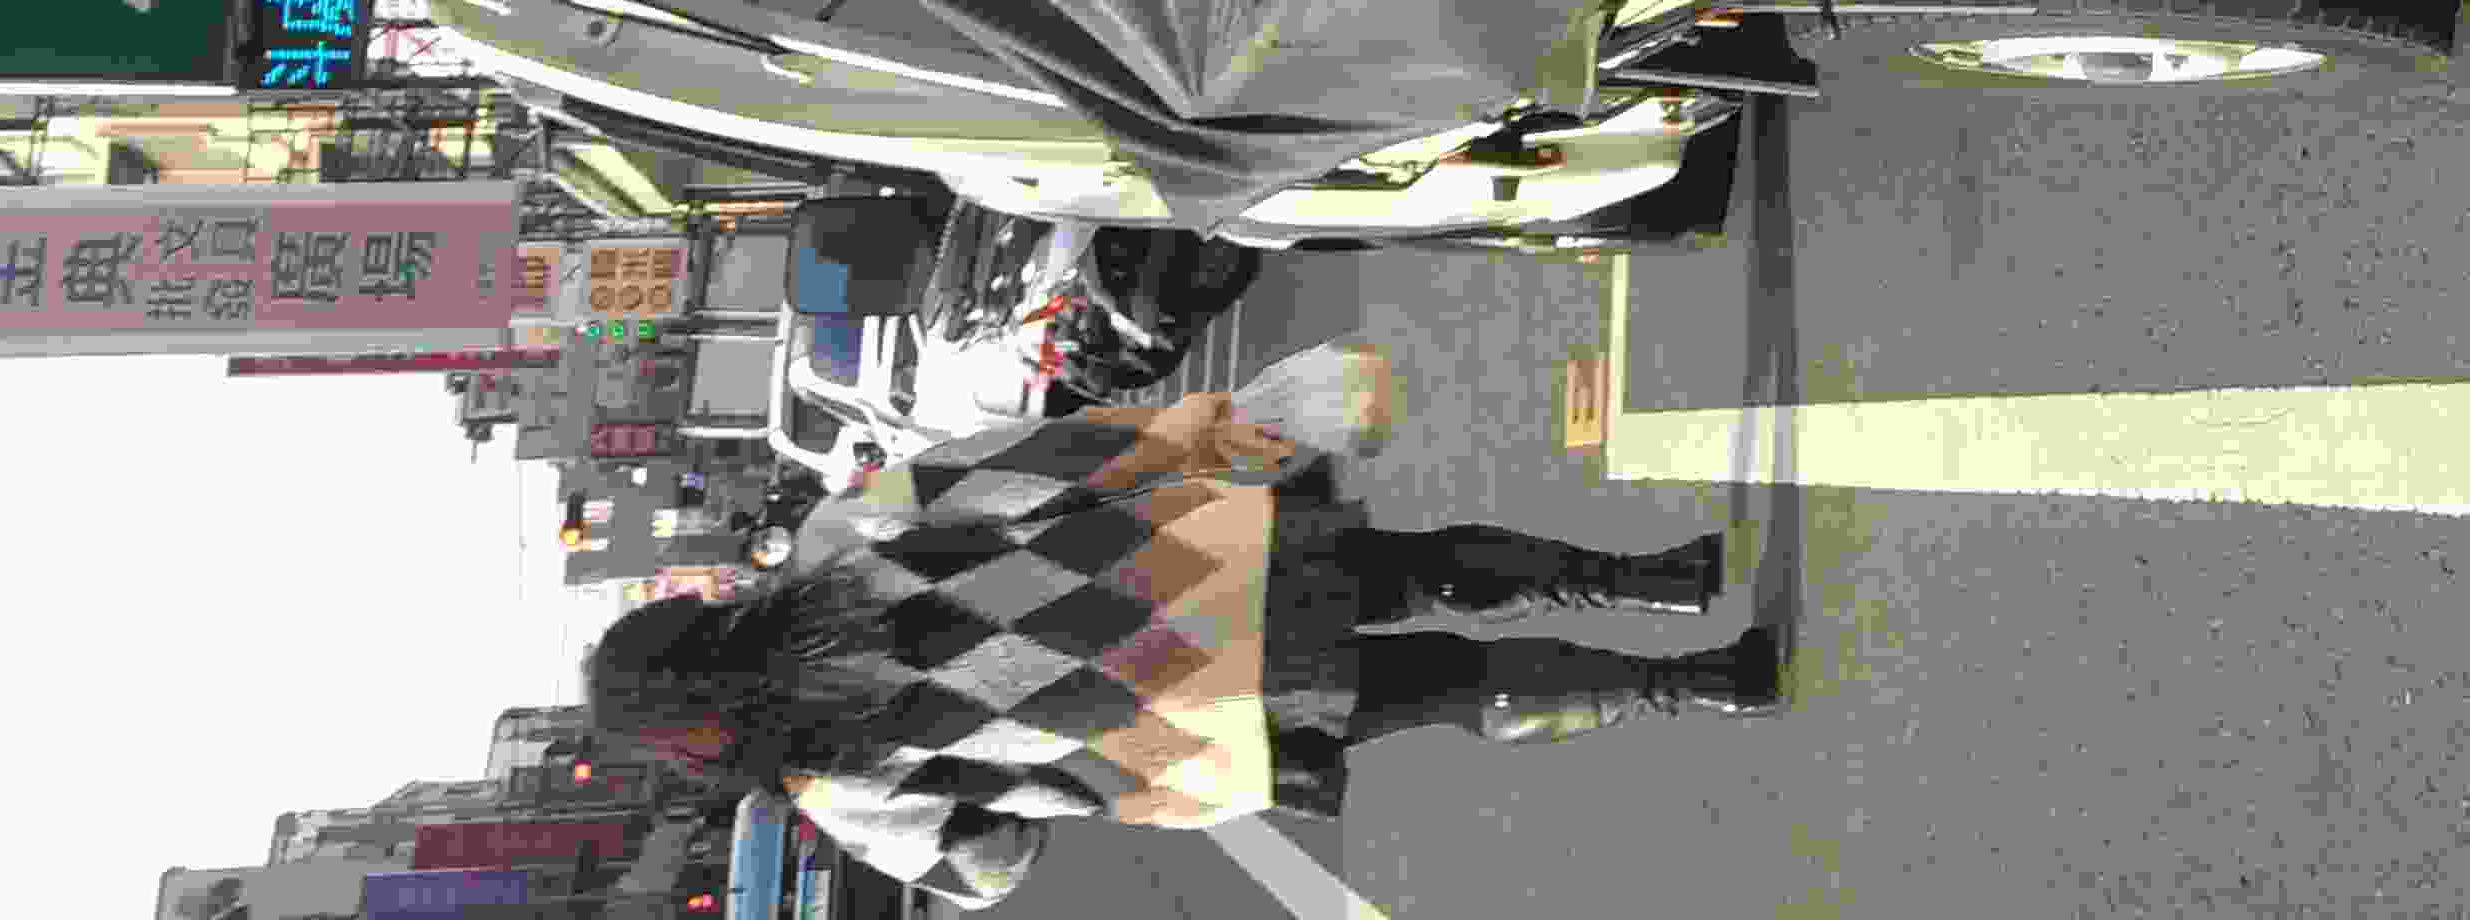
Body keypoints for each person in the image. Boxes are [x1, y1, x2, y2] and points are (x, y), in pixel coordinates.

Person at [580, 349, 1780, 903]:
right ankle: (1656, 577)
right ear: (698, 622)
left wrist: (1021, 761)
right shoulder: (836, 545)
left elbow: (987, 870)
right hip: (1184, 567)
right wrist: (1189, 432)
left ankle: (1697, 686)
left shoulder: (835, 787)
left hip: (1188, 728)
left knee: (1444, 691)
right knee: (1420, 570)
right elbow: (1022, 463)